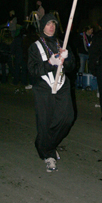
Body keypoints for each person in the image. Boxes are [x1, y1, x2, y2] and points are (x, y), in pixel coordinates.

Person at [28, 13, 75, 173]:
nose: (52, 26)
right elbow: (33, 70)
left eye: (54, 23)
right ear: (43, 27)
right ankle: (48, 155)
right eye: (48, 24)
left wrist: (67, 60)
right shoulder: (35, 46)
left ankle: (45, 144)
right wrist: (49, 63)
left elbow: (72, 67)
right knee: (45, 122)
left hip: (62, 85)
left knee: (67, 118)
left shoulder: (61, 42)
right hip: (43, 88)